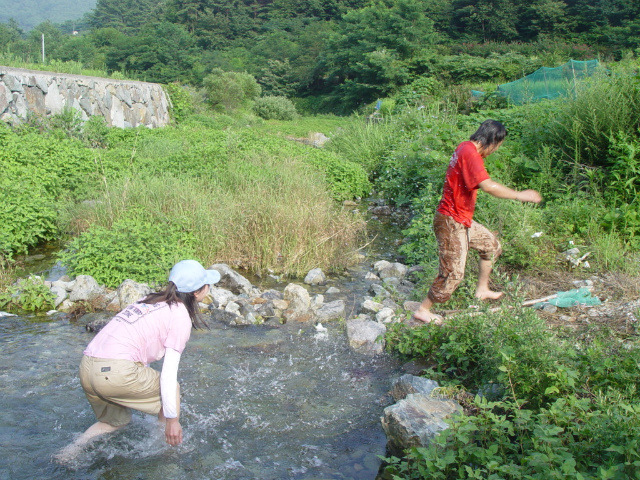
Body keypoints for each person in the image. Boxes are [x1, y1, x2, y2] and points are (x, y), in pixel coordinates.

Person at [57, 260, 220, 460]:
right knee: (172, 391)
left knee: (114, 422)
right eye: (206, 284)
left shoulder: (149, 300)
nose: (209, 288)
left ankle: (68, 453)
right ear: (196, 292)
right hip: (116, 372)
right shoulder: (180, 317)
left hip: (88, 367)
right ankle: (167, 452)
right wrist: (172, 420)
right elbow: (168, 375)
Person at [412, 120, 542, 324]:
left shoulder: (465, 147)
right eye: (498, 146)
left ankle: (482, 290)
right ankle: (423, 309)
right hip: (450, 221)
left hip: (460, 219)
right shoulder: (470, 153)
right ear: (493, 141)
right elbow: (488, 186)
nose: (495, 151)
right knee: (453, 273)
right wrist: (520, 195)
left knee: (491, 245)